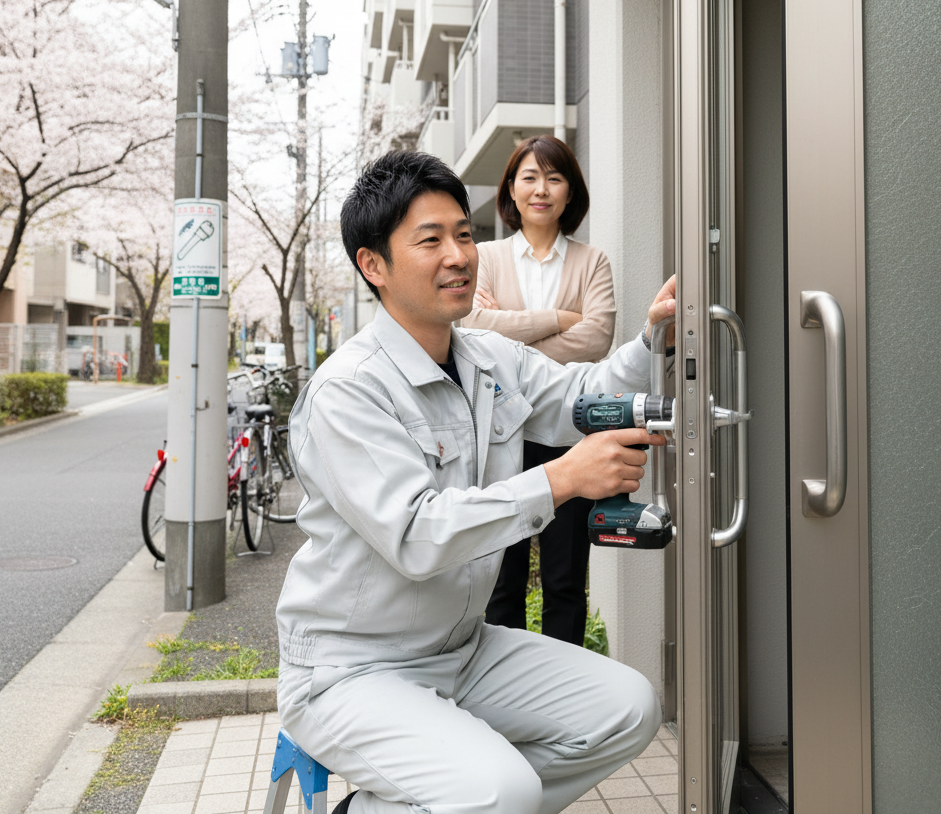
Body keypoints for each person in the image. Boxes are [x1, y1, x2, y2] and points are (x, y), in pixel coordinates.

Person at [276, 150, 677, 814]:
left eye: (463, 234)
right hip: (352, 669)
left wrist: (650, 339)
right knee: (502, 789)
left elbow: (584, 396)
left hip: (461, 649)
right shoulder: (349, 390)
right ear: (373, 265)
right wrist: (560, 480)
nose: (459, 255)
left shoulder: (489, 357)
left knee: (630, 709)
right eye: (430, 240)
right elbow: (417, 534)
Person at [462, 136, 614, 646]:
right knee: (501, 578)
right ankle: (511, 694)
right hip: (501, 435)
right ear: (511, 189)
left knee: (565, 579)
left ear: (571, 192)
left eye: (554, 178)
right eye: (529, 177)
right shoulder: (484, 257)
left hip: (570, 436)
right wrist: (557, 319)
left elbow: (597, 338)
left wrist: (511, 330)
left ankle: (565, 696)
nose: (541, 189)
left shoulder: (592, 262)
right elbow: (475, 328)